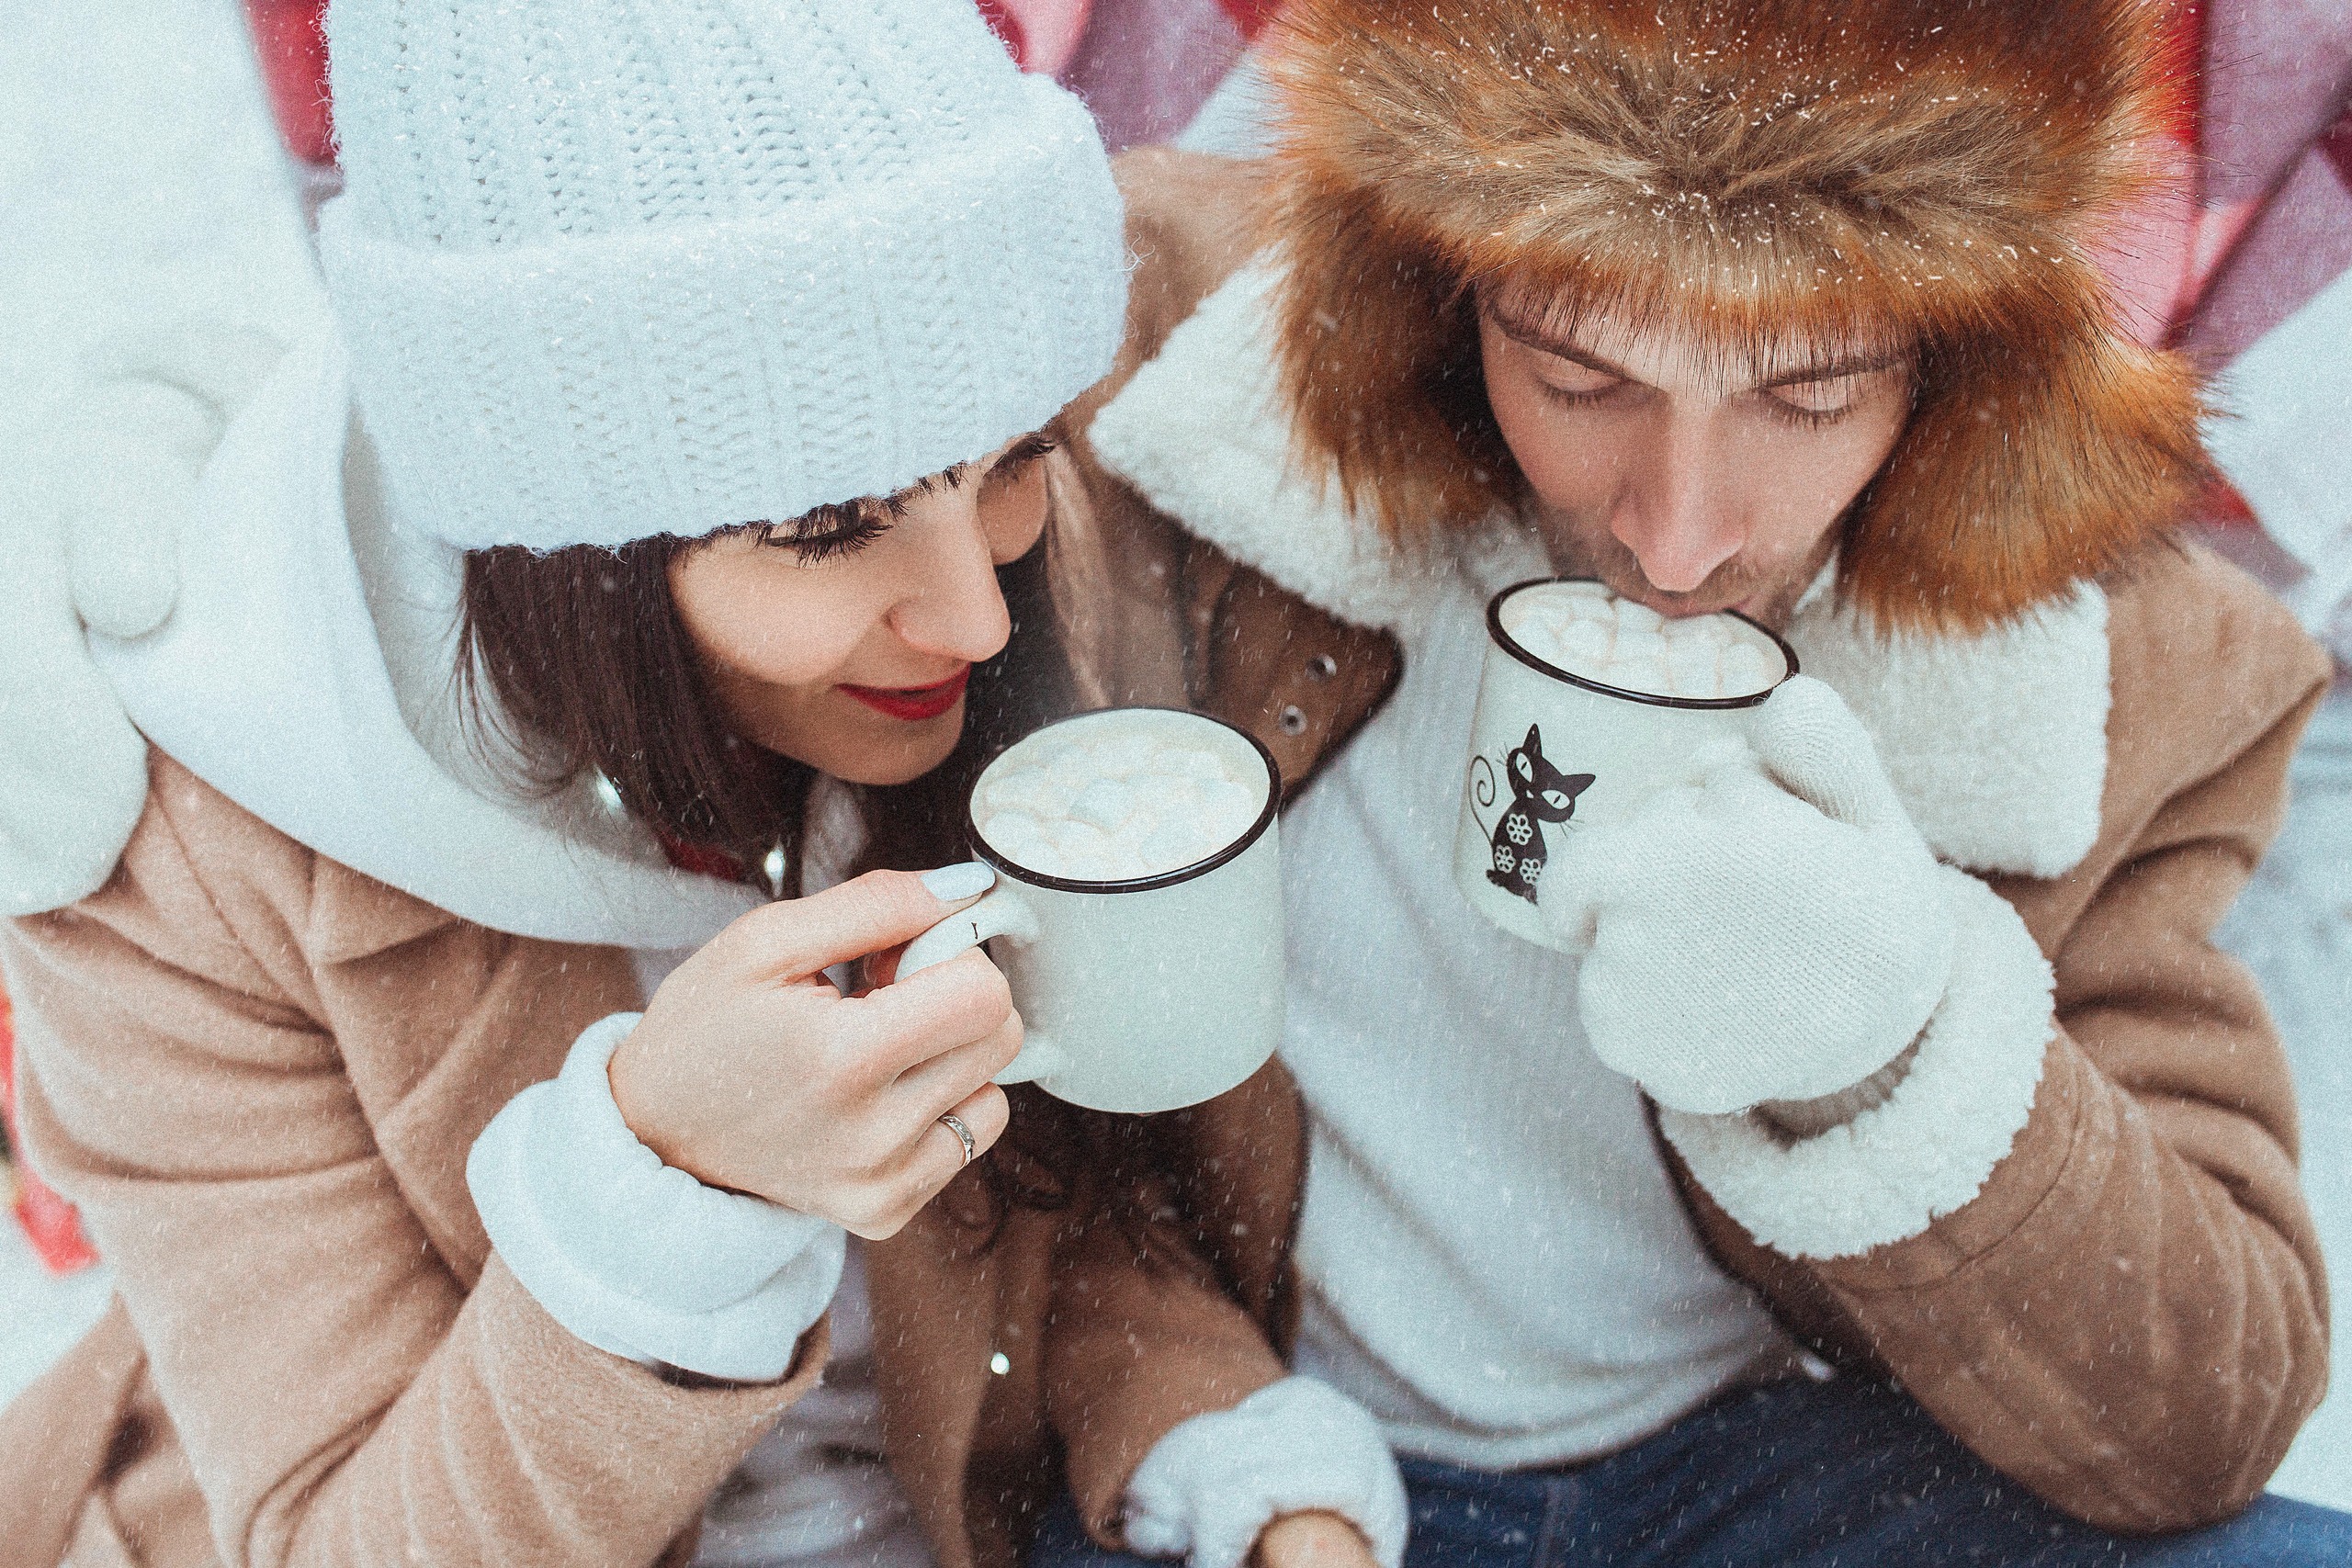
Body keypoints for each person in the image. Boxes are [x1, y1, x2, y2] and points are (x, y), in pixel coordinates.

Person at [1011, 0, 2352, 1564]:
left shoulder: (2122, 671)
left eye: (1806, 396)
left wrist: (1891, 1043)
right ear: (1441, 282)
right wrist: (1225, 1439)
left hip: (1756, 1461)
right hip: (1255, 1439)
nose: (1677, 535)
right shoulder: (1162, 366)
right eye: (1580, 376)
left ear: (1958, 359)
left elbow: (2209, 1411)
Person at [0, 0, 1270, 1562]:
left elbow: (1079, 1236)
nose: (977, 613)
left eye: (1013, 455)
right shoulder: (178, 855)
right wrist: (673, 1194)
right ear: (560, 551)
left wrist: (1246, 1466)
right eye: (827, 529)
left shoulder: (1004, 585)